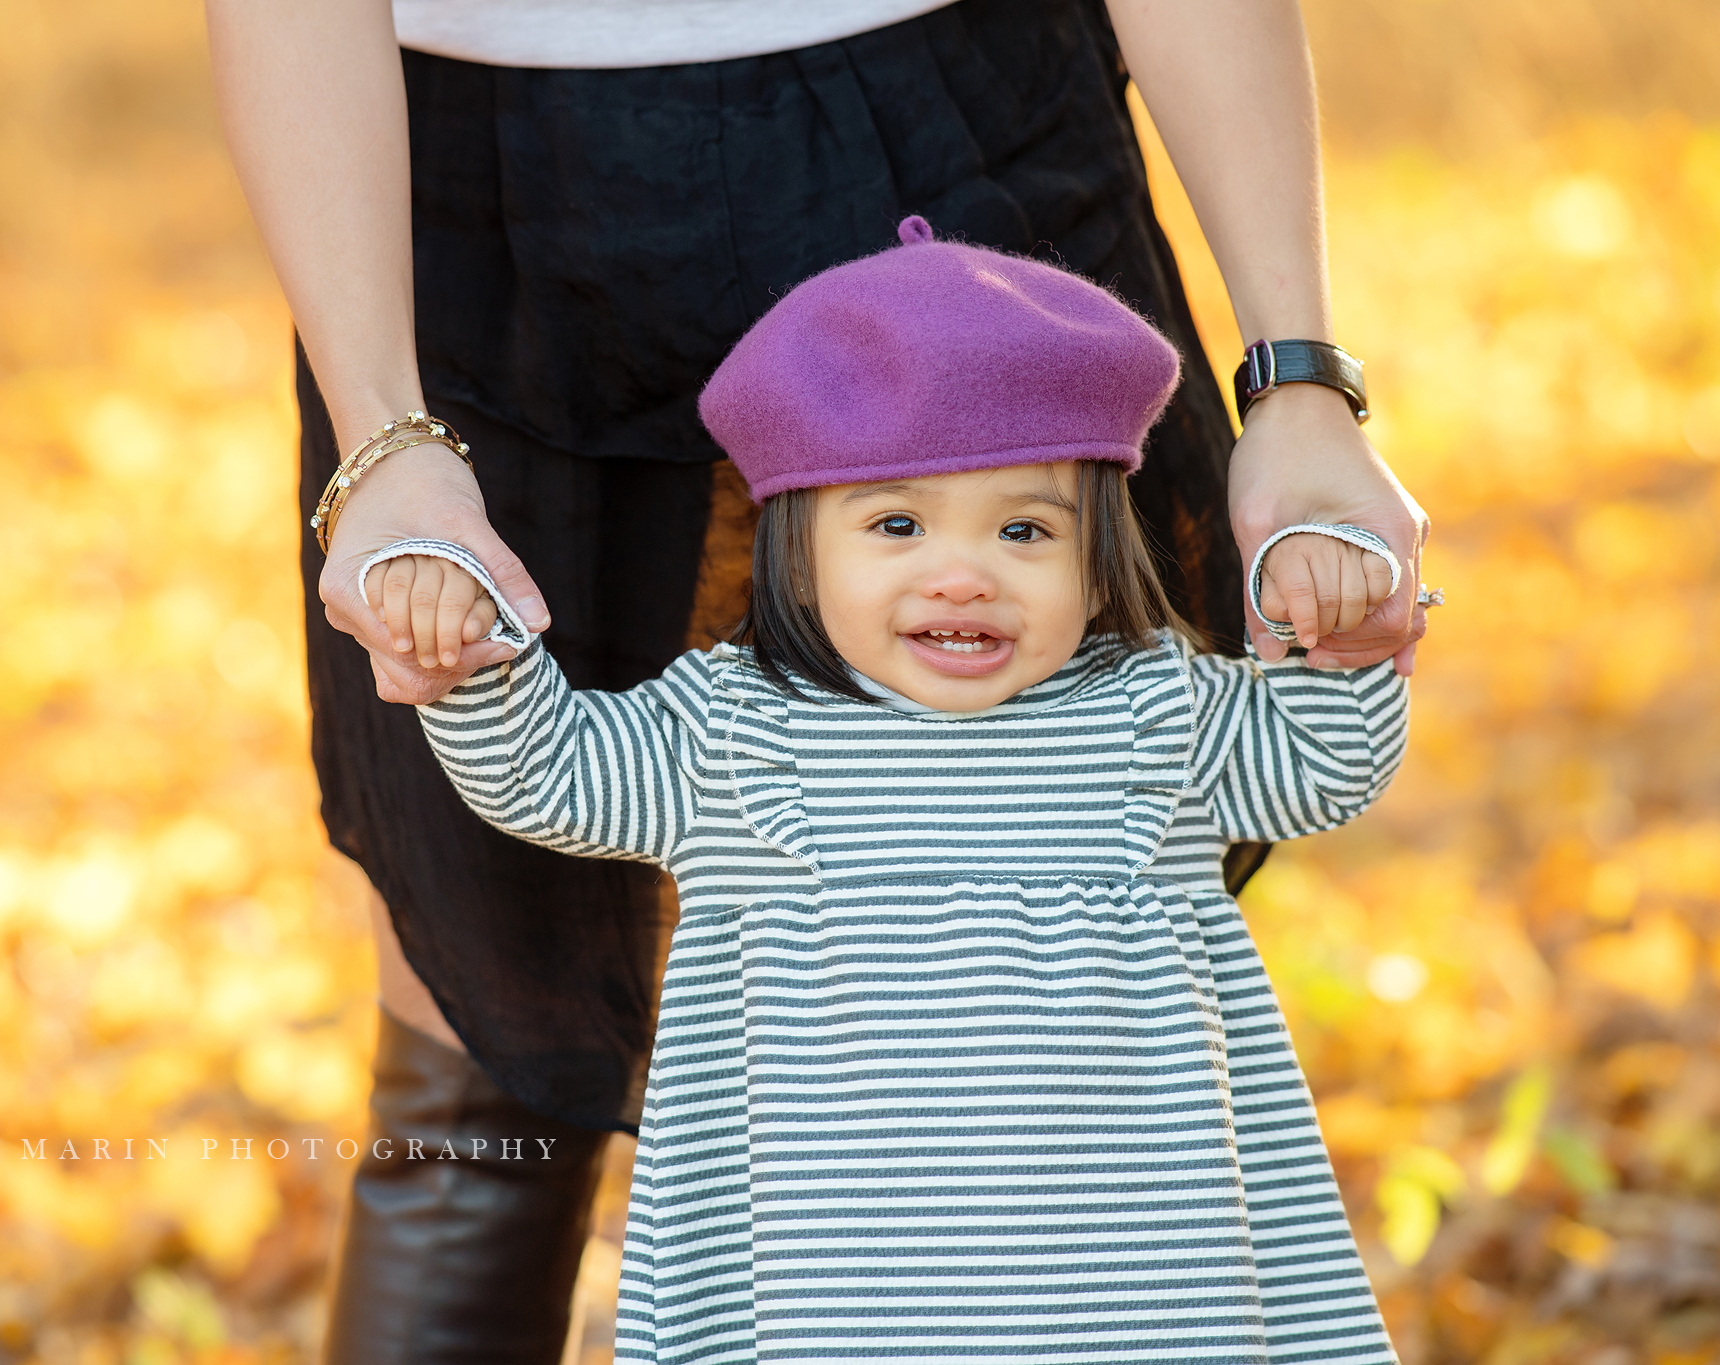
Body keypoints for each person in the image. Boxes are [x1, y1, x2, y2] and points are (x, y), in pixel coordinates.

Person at [203, 0, 1430, 1355]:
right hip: (472, 200)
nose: (961, 575)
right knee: (474, 990)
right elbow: (553, 773)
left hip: (966, 124)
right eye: (896, 528)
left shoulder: (1147, 713)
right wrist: (442, 592)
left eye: (1024, 533)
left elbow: (1315, 753)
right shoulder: (730, 735)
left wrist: (1320, 484)